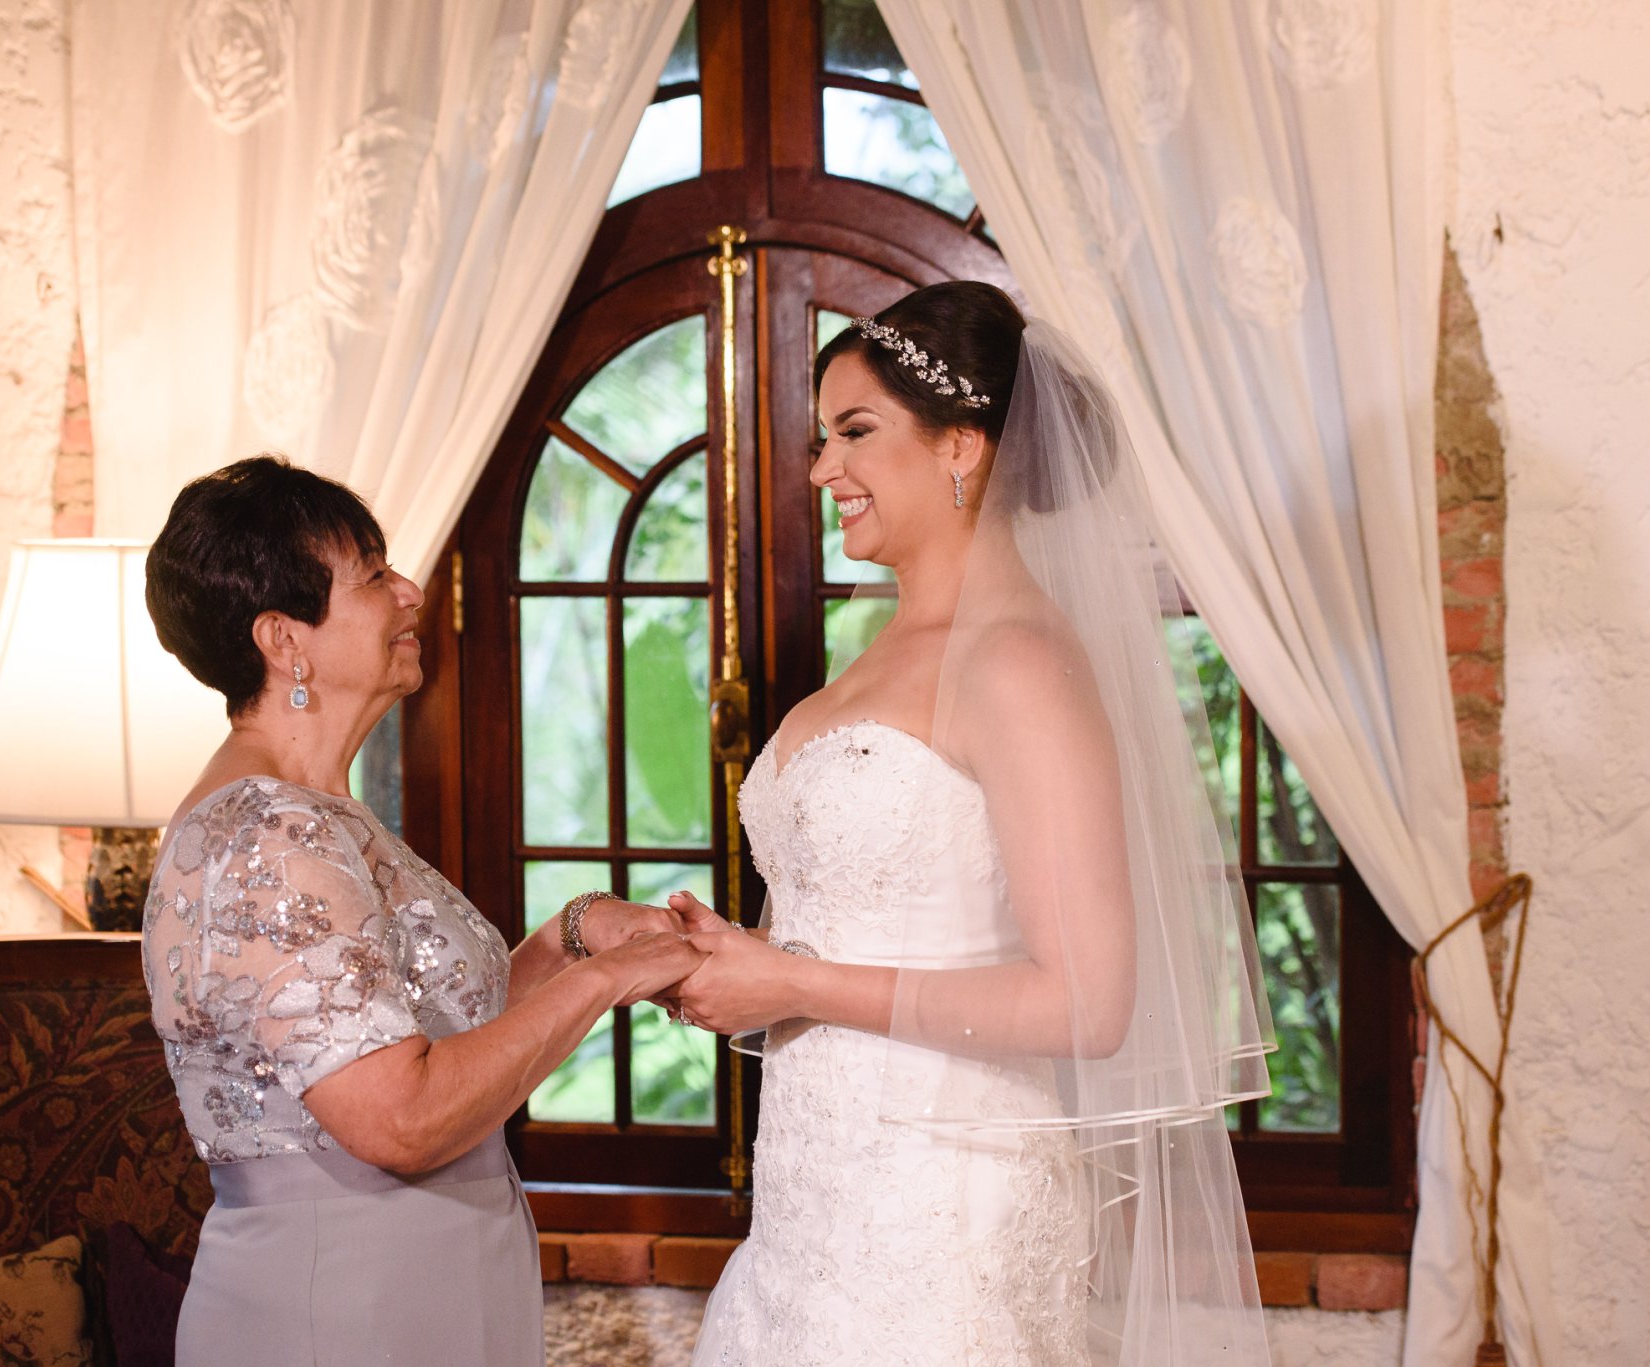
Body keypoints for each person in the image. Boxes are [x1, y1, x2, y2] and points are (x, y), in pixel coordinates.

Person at [673, 283, 1278, 1365]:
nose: (820, 470)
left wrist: (794, 983)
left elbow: (1086, 1001)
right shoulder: (880, 650)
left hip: (941, 1215)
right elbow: (863, 920)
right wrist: (730, 957)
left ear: (961, 444)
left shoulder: (1016, 662)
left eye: (855, 431)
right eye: (822, 438)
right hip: (813, 1203)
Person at [140, 456, 697, 1365]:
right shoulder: (268, 833)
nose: (410, 590)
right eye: (373, 575)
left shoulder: (321, 814)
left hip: (418, 1282)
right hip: (343, 1306)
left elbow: (440, 1038)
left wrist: (572, 938)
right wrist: (607, 981)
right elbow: (398, 1119)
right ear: (283, 639)